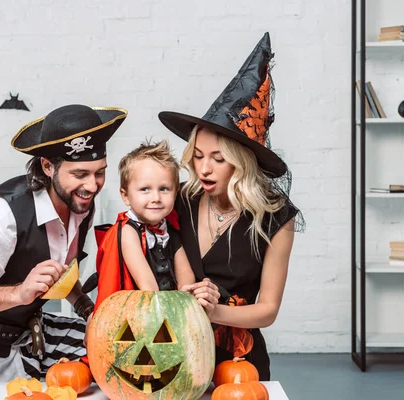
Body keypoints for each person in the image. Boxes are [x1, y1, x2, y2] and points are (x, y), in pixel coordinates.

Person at [0, 104, 128, 399]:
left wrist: (87, 308)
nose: (92, 185)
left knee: (118, 351)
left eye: (99, 173)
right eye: (80, 173)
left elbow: (60, 272)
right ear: (47, 166)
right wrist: (19, 293)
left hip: (31, 340)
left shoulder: (79, 203)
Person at [158, 32, 304, 380]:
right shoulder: (179, 199)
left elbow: (267, 310)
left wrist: (212, 311)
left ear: (241, 162)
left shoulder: (275, 217)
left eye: (218, 158)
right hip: (172, 350)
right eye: (197, 156)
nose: (203, 168)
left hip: (238, 363)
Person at [90, 140, 220, 315]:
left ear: (175, 193)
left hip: (167, 308)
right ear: (126, 196)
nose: (156, 197)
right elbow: (148, 287)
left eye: (164, 189)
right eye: (145, 189)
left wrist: (188, 292)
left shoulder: (169, 229)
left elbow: (186, 277)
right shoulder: (128, 231)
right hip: (139, 313)